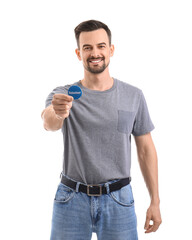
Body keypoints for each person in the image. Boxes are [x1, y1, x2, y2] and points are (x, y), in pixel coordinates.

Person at [41, 19, 162, 240]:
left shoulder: (133, 95)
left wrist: (155, 200)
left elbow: (145, 150)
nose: (94, 53)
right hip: (71, 199)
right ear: (78, 53)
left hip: (119, 199)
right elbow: (49, 122)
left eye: (100, 46)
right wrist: (58, 111)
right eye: (87, 47)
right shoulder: (64, 94)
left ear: (111, 50)